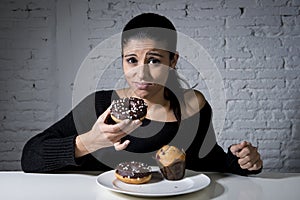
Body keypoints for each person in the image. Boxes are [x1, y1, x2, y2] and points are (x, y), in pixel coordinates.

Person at [21, 13, 262, 175]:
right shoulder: (101, 105)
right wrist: (89, 141)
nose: (141, 73)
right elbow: (30, 157)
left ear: (173, 60)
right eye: (132, 60)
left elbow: (209, 162)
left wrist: (242, 161)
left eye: (154, 60)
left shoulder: (193, 105)